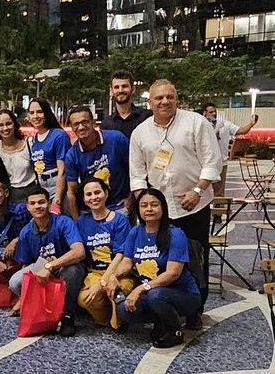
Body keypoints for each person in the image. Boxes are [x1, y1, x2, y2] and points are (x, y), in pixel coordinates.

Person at [129, 79, 221, 329]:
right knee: (161, 258)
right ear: (149, 102)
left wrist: (197, 190)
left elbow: (213, 162)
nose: (164, 101)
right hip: (159, 209)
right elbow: (137, 173)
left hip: (194, 204)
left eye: (170, 96)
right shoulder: (141, 132)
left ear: (176, 99)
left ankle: (195, 310)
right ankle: (162, 304)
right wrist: (143, 203)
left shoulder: (196, 122)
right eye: (158, 98)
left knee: (195, 258)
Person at [114, 188, 201, 348]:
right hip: (152, 292)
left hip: (182, 294)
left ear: (163, 207)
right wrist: (114, 277)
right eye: (144, 205)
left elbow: (173, 274)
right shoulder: (135, 231)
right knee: (123, 310)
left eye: (154, 205)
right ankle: (161, 319)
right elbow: (127, 261)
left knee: (156, 295)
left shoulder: (175, 233)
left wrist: (140, 289)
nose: (149, 209)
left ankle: (175, 332)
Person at [8, 187, 86, 336]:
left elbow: (79, 251)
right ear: (28, 207)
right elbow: (26, 263)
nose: (37, 206)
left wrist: (50, 266)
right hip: (42, 267)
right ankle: (41, 310)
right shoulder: (25, 232)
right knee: (15, 281)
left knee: (72, 271)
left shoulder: (64, 222)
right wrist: (23, 298)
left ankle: (67, 316)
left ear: (49, 204)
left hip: (66, 265)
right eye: (33, 203)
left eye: (41, 202)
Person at [76, 178, 134, 327]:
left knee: (120, 289)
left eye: (97, 192)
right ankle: (108, 319)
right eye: (88, 194)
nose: (93, 197)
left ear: (106, 194)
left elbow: (121, 255)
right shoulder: (82, 221)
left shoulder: (120, 220)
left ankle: (119, 313)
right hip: (94, 272)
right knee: (85, 299)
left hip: (118, 271)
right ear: (84, 199)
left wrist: (103, 282)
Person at [64, 106, 130, 218]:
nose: (81, 127)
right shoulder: (72, 155)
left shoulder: (116, 139)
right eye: (76, 124)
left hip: (120, 206)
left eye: (85, 122)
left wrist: (131, 199)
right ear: (71, 127)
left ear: (93, 123)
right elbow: (71, 192)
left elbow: (134, 169)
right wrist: (77, 222)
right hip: (92, 210)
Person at [202, 102, 257, 198]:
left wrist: (251, 124)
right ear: (204, 113)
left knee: (219, 190)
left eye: (215, 111)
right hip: (204, 162)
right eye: (211, 112)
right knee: (202, 189)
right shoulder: (201, 126)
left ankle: (218, 211)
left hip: (221, 162)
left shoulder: (224, 124)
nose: (214, 113)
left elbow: (241, 130)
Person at [27, 98, 70, 208]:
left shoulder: (59, 135)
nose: (35, 116)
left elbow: (63, 170)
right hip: (42, 186)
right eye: (32, 113)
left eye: (40, 112)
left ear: (46, 113)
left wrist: (58, 197)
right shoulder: (35, 138)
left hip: (57, 185)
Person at [0, 109, 38, 203]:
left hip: (31, 195)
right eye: (1, 125)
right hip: (8, 198)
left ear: (15, 125)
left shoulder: (29, 145)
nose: (5, 128)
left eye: (8, 123)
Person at [101, 70, 153, 139]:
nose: (120, 90)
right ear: (111, 91)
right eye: (116, 87)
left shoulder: (147, 117)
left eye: (124, 86)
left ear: (133, 89)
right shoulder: (106, 124)